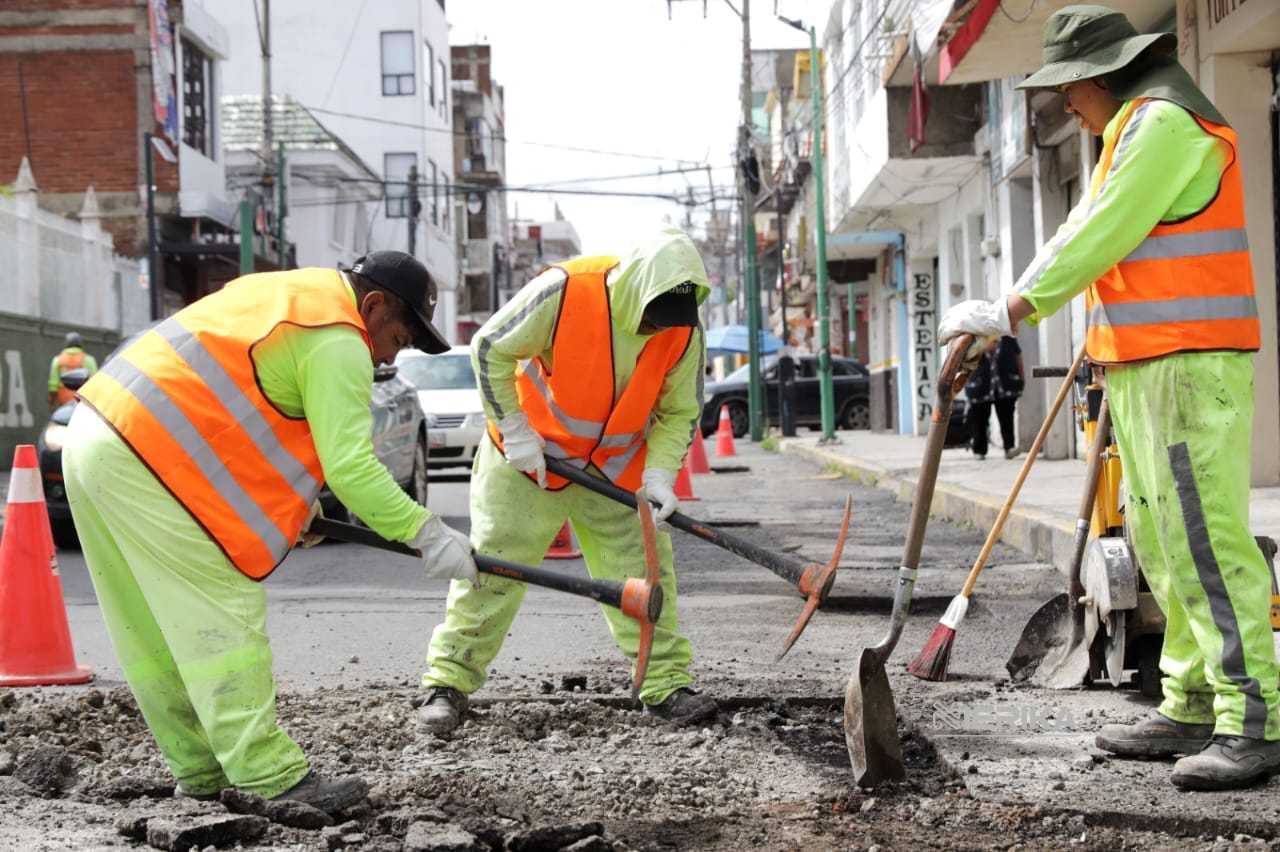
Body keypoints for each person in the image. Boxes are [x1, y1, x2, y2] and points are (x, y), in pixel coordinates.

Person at [938, 5, 1278, 790]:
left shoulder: (1165, 124)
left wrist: (1014, 312)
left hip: (1192, 366)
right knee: (1162, 545)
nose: (1063, 105)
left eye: (1066, 87)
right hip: (1150, 366)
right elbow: (1086, 228)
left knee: (1205, 542)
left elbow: (1103, 234)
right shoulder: (1132, 128)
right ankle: (1191, 702)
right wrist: (1008, 306)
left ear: (1097, 74)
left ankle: (1256, 718)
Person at [62, 251, 476, 813]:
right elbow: (351, 469)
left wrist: (290, 507)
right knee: (222, 613)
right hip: (147, 454)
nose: (387, 355)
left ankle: (200, 770)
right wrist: (428, 534)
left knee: (151, 631)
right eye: (396, 339)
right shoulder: (338, 338)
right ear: (373, 305)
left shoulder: (288, 295)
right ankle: (269, 775)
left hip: (94, 432)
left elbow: (235, 412)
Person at [418, 228, 716, 733]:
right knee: (493, 568)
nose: (653, 329)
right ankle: (446, 684)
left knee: (647, 577)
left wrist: (662, 474)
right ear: (636, 288)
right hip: (529, 462)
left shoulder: (683, 330)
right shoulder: (565, 291)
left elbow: (679, 410)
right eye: (649, 317)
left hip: (615, 469)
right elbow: (490, 346)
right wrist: (515, 430)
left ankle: (664, 686)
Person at [964, 336, 1024, 461]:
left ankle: (1009, 447)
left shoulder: (1008, 338)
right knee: (979, 419)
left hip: (1004, 384)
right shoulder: (973, 338)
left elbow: (1018, 357)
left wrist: (1022, 377)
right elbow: (965, 360)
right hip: (980, 385)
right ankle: (979, 450)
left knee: (1007, 416)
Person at [48, 331, 98, 410]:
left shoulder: (57, 360)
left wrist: (51, 403)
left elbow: (53, 386)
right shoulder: (89, 360)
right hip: (83, 403)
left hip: (63, 404)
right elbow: (94, 383)